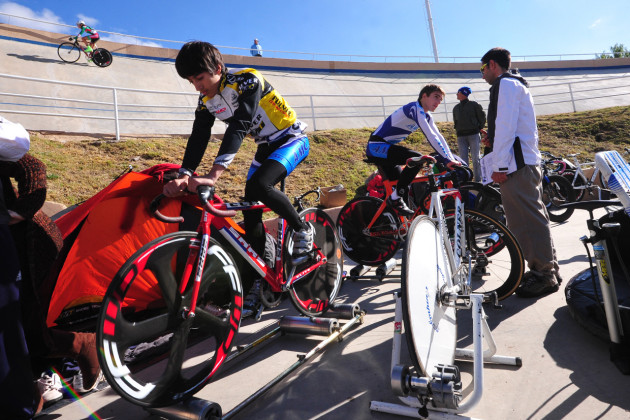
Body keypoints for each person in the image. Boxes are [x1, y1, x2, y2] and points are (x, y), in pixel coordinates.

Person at [163, 41, 312, 317]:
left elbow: (240, 124)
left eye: (199, 78)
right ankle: (262, 277)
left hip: (291, 139)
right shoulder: (206, 100)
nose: (197, 86)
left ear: (217, 68)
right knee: (251, 209)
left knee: (259, 186)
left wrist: (213, 175)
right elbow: (199, 137)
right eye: (190, 81)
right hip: (266, 147)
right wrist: (184, 173)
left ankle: (302, 228)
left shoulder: (247, 80)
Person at [0, 153, 103, 398]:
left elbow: (32, 166)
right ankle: (31, 387)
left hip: (27, 244)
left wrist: (19, 212)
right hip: (10, 249)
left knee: (24, 327)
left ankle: (83, 344)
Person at [480, 47, 560, 298]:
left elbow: (506, 127)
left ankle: (544, 274)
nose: (482, 74)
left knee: (526, 221)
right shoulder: (515, 85)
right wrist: (493, 141)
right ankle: (546, 269)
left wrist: (499, 166)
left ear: (492, 64)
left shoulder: (506, 84)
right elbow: (511, 128)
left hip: (516, 166)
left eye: (482, 68)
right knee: (531, 218)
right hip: (523, 162)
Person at [366, 84, 462, 216]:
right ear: (424, 96)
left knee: (402, 187)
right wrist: (446, 160)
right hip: (375, 146)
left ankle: (400, 227)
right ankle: (393, 200)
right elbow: (430, 136)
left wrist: (450, 159)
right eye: (436, 97)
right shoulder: (414, 108)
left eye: (440, 100)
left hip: (387, 149)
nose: (438, 102)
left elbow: (439, 137)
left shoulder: (427, 116)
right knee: (417, 158)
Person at [452, 86, 486, 181]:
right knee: (463, 159)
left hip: (474, 134)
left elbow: (482, 116)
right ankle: (466, 179)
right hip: (461, 136)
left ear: (463, 93)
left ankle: (478, 180)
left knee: (476, 158)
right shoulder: (456, 108)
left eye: (458, 93)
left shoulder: (474, 105)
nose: (457, 95)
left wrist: (479, 127)